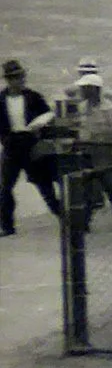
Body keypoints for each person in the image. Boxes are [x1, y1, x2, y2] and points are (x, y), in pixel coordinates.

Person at [0, 60, 62, 236]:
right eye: (14, 78)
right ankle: (7, 226)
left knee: (45, 186)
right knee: (5, 187)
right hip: (11, 145)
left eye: (20, 77)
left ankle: (65, 218)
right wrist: (4, 138)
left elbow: (49, 114)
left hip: (31, 143)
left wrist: (39, 128)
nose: (18, 81)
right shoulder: (0, 99)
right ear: (8, 80)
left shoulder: (33, 97)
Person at [70, 73, 112, 226]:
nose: (82, 90)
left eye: (85, 88)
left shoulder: (109, 109)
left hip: (107, 154)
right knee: (87, 188)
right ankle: (85, 221)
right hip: (88, 153)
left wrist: (102, 137)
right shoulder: (82, 108)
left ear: (94, 89)